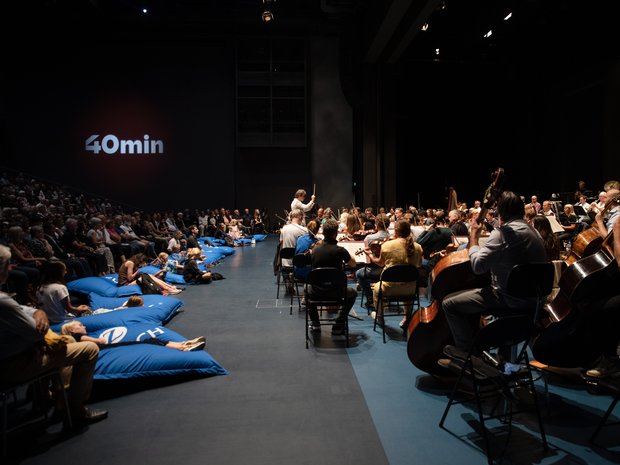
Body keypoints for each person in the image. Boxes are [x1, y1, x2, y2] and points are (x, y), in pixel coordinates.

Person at [0, 244, 108, 426]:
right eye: (9, 263)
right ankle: (75, 410)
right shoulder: (3, 301)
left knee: (62, 338)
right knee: (89, 349)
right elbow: (35, 333)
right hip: (14, 364)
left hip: (12, 357)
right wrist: (37, 315)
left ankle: (57, 396)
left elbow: (26, 310)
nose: (12, 268)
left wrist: (38, 313)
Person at [440, 191, 548, 356]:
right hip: (535, 303)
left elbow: (477, 266)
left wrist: (474, 238)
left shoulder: (502, 234)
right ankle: (503, 356)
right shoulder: (535, 233)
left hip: (508, 300)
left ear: (501, 212)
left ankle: (468, 356)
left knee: (449, 303)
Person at [367, 219, 423, 328]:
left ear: (396, 231)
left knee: (376, 288)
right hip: (410, 289)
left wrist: (371, 256)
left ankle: (380, 317)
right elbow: (419, 265)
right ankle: (407, 317)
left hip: (388, 288)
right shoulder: (417, 247)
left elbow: (380, 263)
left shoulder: (387, 245)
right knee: (407, 281)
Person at [307, 219, 357, 335]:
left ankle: (315, 324)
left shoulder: (314, 249)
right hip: (336, 292)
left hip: (317, 292)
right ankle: (339, 323)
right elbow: (353, 264)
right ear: (336, 233)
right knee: (352, 293)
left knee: (306, 290)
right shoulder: (340, 251)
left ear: (323, 233)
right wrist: (352, 255)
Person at [61, 320, 206, 351]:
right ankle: (183, 346)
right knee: (149, 341)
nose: (84, 326)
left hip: (114, 346)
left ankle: (185, 344)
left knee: (151, 340)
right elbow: (101, 341)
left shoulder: (79, 337)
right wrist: (97, 337)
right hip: (114, 348)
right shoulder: (81, 339)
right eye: (80, 326)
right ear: (72, 331)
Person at [36, 261, 92, 325]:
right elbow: (69, 309)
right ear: (59, 272)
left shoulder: (40, 287)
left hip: (48, 319)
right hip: (60, 320)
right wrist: (80, 309)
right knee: (87, 308)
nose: (66, 272)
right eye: (64, 270)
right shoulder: (60, 288)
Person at [355, 213, 390, 310]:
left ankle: (370, 298)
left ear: (377, 224)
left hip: (374, 270)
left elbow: (366, 260)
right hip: (388, 270)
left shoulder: (370, 238)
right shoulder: (391, 237)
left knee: (359, 273)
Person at [118, 253, 183, 295]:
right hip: (125, 284)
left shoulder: (132, 263)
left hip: (129, 282)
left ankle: (170, 287)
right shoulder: (130, 263)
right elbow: (129, 278)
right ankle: (169, 289)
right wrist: (138, 271)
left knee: (148, 275)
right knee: (146, 276)